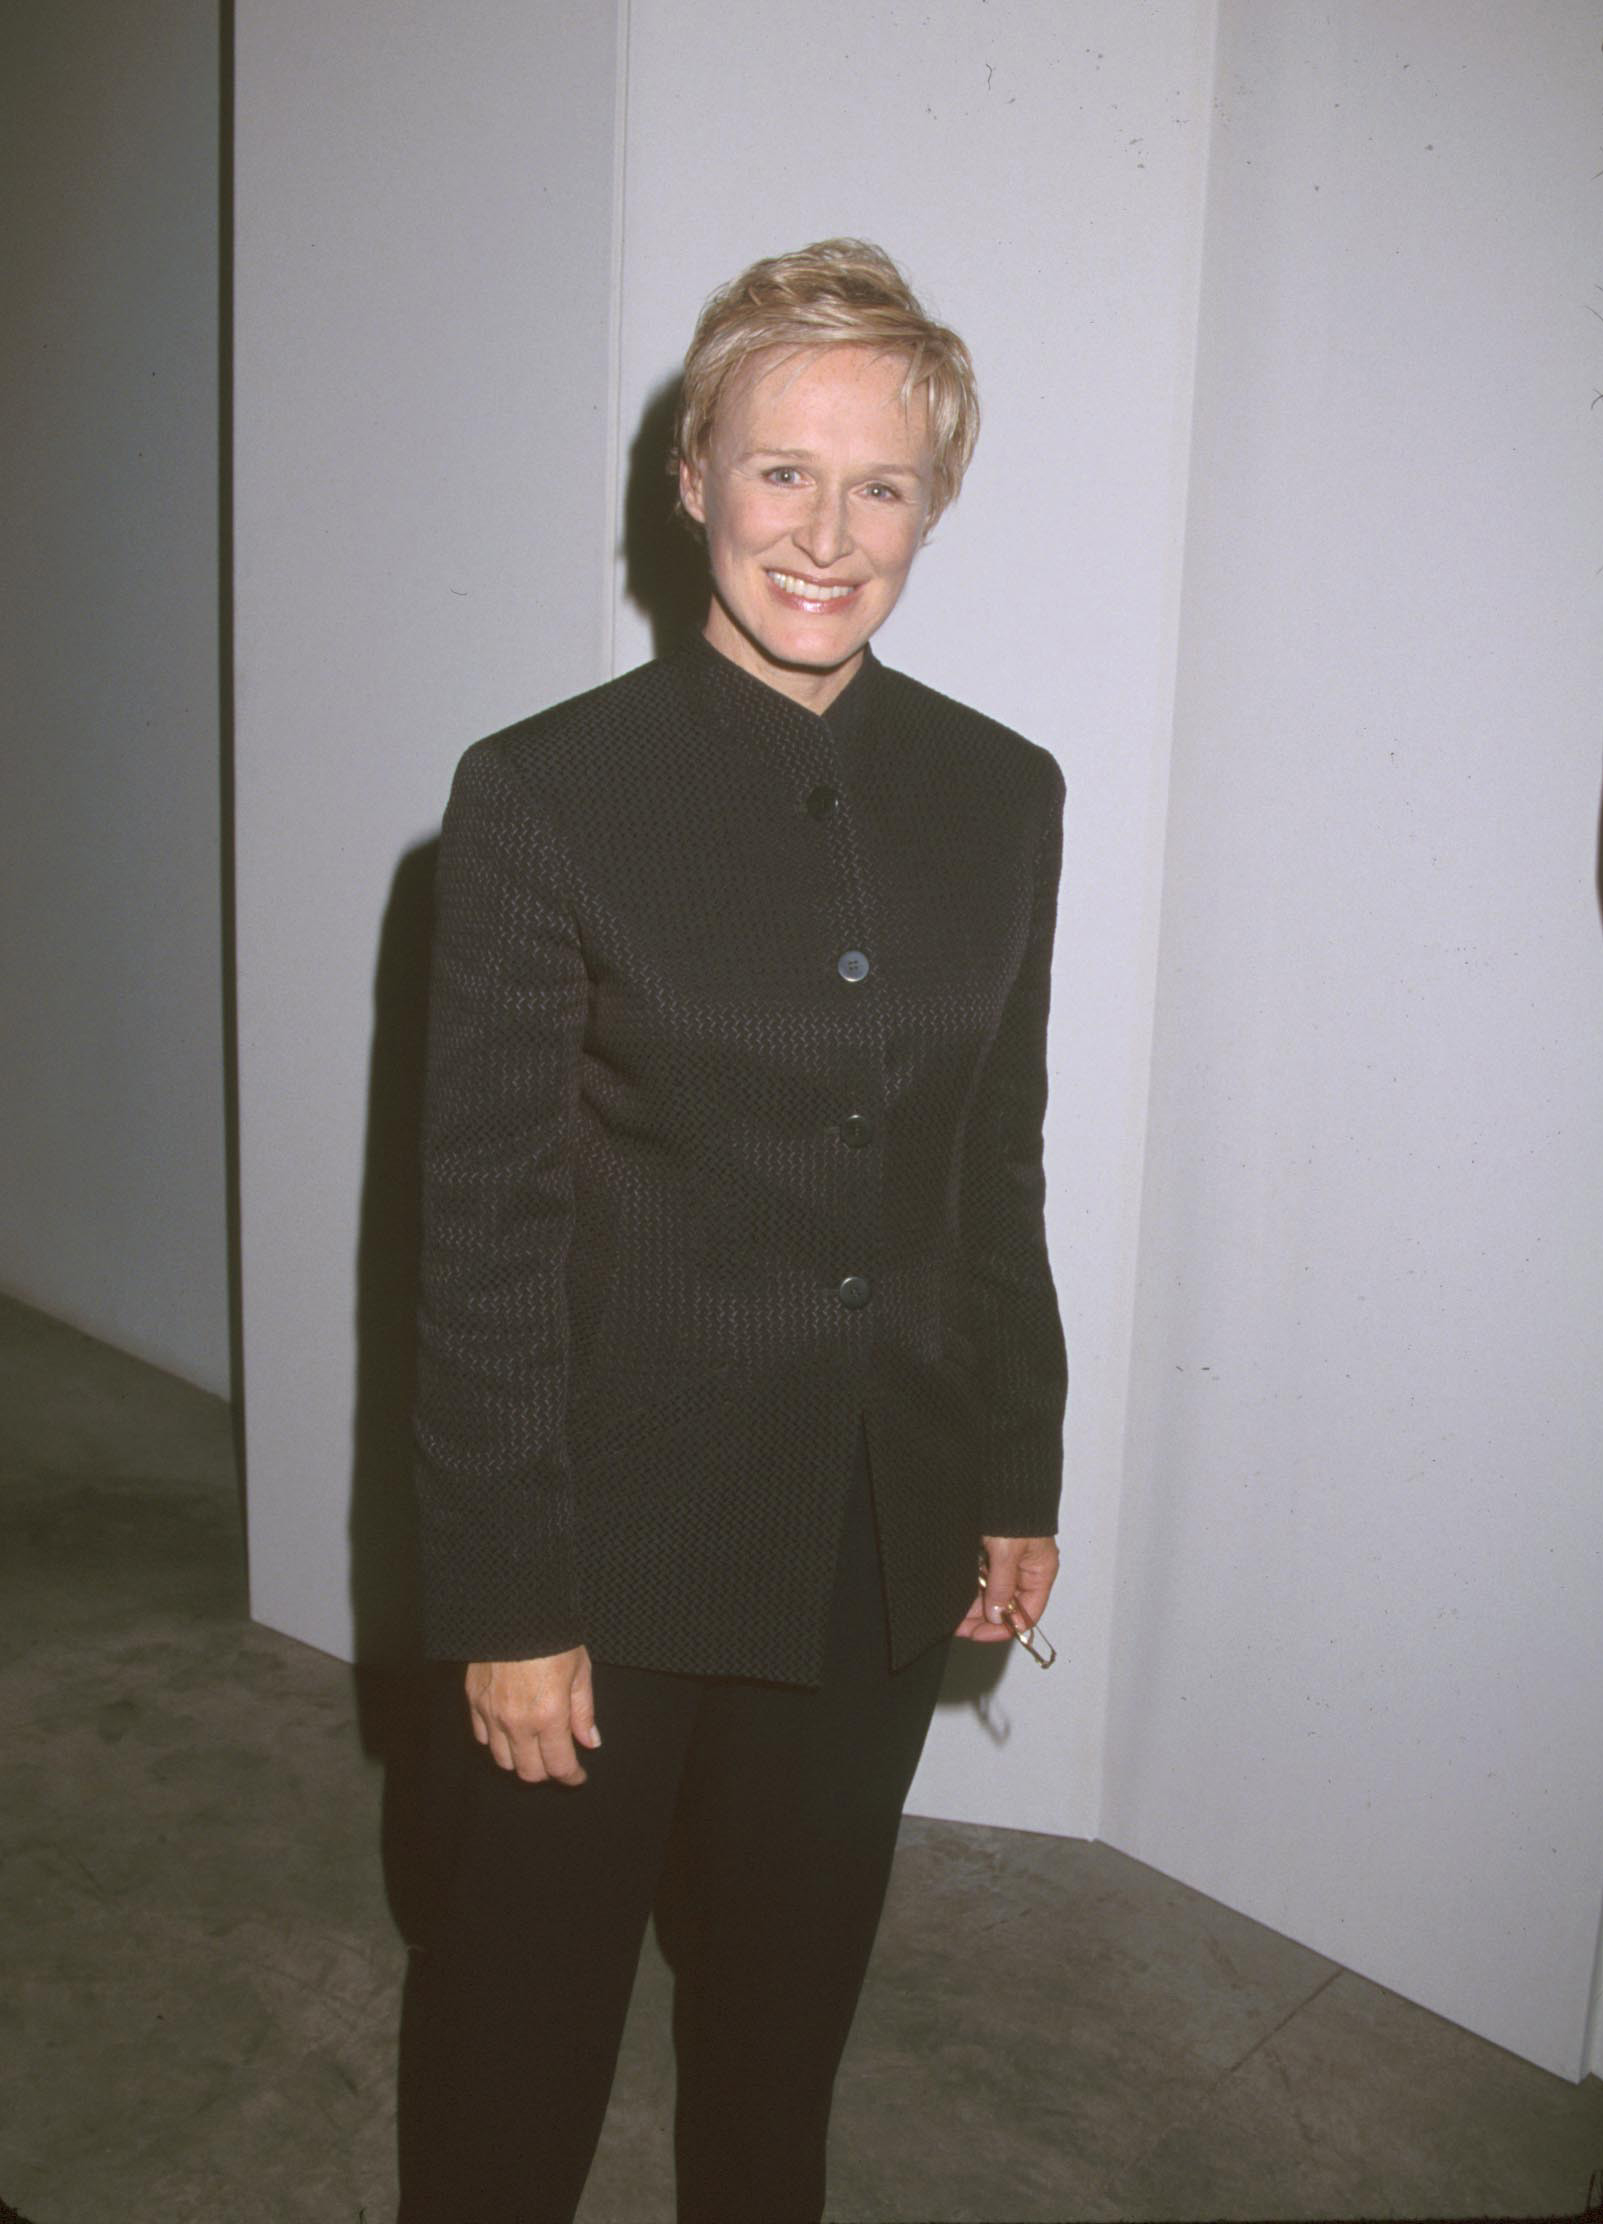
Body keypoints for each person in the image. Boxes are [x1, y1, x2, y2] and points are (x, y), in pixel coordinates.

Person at [401, 238, 1068, 2224]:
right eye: (781, 470)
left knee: (778, 2054)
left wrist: (1013, 1464)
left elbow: (992, 1158)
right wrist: (508, 1592)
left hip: (870, 1533)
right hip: (599, 1556)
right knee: (513, 2050)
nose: (827, 532)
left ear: (931, 503)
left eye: (881, 486)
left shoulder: (1002, 792)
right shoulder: (541, 799)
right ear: (689, 477)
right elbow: (480, 1229)